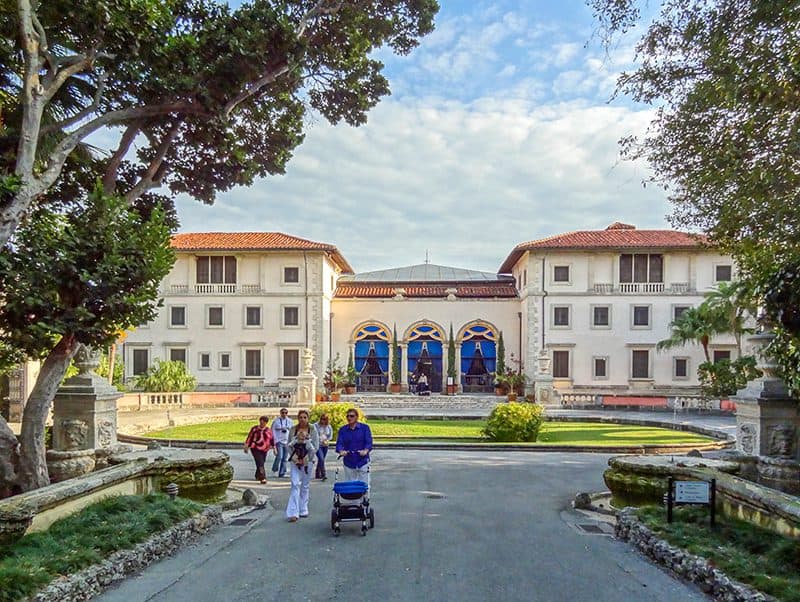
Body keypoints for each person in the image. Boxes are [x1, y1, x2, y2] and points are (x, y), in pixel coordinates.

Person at [285, 409, 319, 522]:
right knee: (295, 484)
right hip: (295, 460)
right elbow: (288, 445)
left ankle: (303, 507)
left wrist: (307, 458)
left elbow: (316, 446)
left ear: (308, 418)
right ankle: (292, 512)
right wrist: (295, 459)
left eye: (305, 417)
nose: (302, 419)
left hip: (307, 460)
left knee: (304, 485)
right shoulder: (293, 430)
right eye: (300, 417)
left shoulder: (313, 429)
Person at [335, 408, 373, 489]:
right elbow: (339, 443)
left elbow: (369, 442)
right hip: (349, 460)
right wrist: (341, 451)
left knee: (364, 484)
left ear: (356, 417)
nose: (349, 418)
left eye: (352, 416)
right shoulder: (343, 430)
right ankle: (353, 501)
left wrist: (366, 450)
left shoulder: (365, 428)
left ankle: (365, 499)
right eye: (347, 416)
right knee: (350, 485)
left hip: (362, 460)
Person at [243, 416, 274, 484]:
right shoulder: (255, 429)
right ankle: (263, 477)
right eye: (261, 421)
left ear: (266, 423)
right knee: (260, 462)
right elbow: (250, 437)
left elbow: (272, 439)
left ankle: (257, 475)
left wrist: (275, 448)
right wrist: (246, 446)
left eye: (264, 422)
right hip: (255, 448)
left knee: (262, 462)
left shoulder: (268, 430)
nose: (262, 423)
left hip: (265, 449)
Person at [271, 407, 293, 478]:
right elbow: (272, 431)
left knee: (285, 458)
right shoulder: (276, 421)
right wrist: (274, 441)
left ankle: (282, 473)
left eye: (285, 413)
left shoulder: (290, 421)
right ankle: (275, 468)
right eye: (282, 413)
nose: (284, 414)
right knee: (279, 456)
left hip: (287, 441)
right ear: (280, 413)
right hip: (279, 440)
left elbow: (292, 431)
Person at [314, 413, 333, 481]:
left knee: (321, 460)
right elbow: (314, 435)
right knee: (321, 458)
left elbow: (330, 435)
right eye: (322, 419)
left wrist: (327, 440)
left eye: (324, 419)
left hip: (325, 445)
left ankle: (317, 473)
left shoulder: (328, 427)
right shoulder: (316, 426)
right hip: (318, 445)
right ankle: (323, 474)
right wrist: (320, 440)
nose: (323, 421)